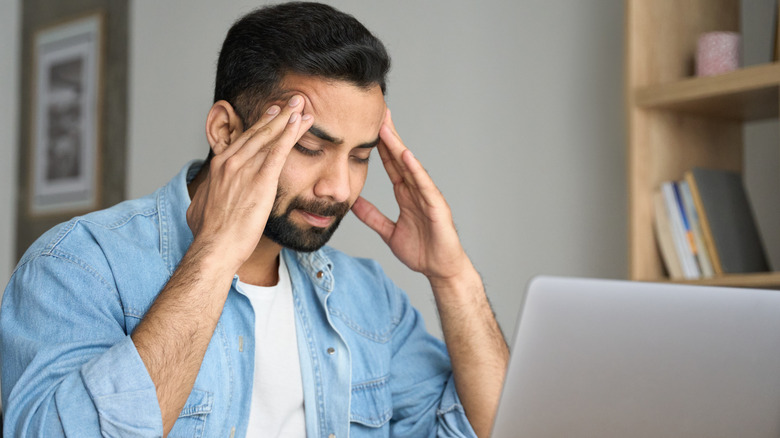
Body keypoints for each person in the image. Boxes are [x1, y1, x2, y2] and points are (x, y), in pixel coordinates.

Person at [0, 2, 509, 437]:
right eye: (309, 147)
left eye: (360, 157)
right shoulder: (77, 265)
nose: (338, 187)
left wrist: (453, 276)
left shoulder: (369, 299)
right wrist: (217, 253)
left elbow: (492, 427)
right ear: (225, 130)